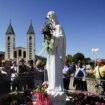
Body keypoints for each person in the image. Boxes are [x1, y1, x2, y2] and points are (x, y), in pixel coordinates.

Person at [46, 11, 66, 92]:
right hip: (50, 53)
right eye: (48, 19)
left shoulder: (58, 27)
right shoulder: (50, 29)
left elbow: (61, 39)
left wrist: (53, 36)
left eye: (49, 18)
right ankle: (51, 85)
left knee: (55, 70)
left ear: (53, 17)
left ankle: (56, 87)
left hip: (56, 53)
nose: (49, 20)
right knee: (50, 69)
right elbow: (48, 42)